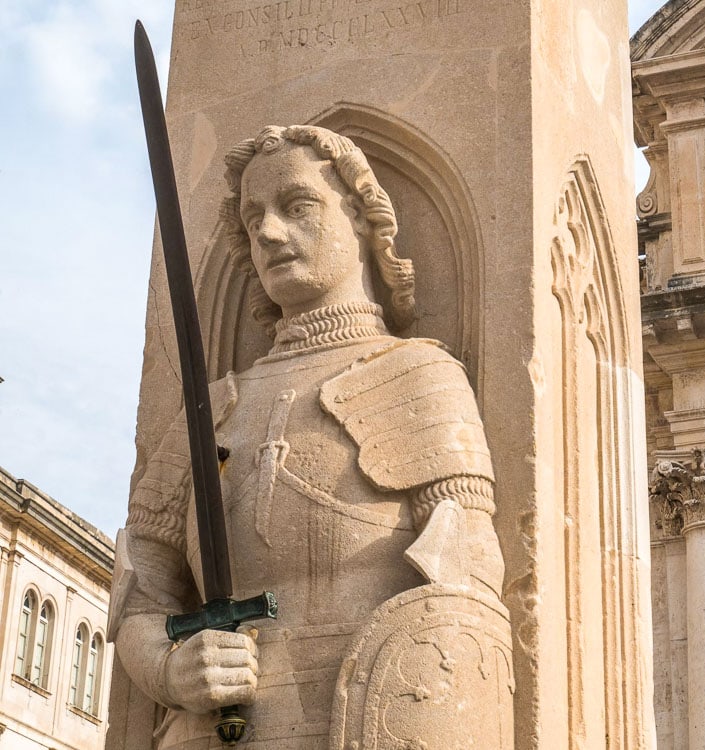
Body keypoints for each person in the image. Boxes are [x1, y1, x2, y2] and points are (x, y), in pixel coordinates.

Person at [110, 125, 510, 749]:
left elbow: (463, 599)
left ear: (360, 220)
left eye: (298, 207)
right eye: (253, 219)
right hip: (208, 733)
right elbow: (140, 593)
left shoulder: (419, 377)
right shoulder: (212, 409)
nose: (268, 233)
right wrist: (171, 667)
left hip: (356, 725)